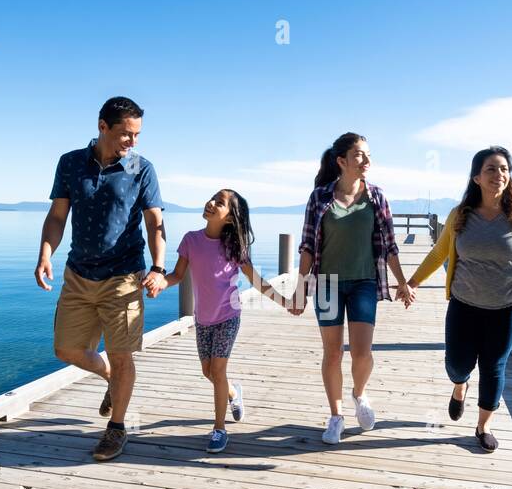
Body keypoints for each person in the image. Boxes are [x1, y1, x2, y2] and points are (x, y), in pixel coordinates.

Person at [34, 96, 167, 461]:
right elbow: (58, 216)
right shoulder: (71, 163)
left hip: (124, 277)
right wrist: (46, 252)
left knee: (123, 356)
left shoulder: (142, 168)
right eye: (126, 134)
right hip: (78, 273)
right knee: (66, 349)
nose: (132, 142)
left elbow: (155, 222)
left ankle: (116, 429)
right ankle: (111, 378)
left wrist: (157, 267)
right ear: (102, 126)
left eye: (137, 134)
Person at [406, 146, 512, 453]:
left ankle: (483, 426)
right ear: (476, 177)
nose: (499, 174)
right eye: (491, 169)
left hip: (507, 308)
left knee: (493, 365)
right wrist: (413, 281)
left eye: (504, 169)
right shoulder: (460, 215)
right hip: (464, 305)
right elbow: (440, 253)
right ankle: (459, 386)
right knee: (457, 364)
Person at [294, 132, 416, 445]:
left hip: (364, 281)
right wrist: (300, 286)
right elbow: (308, 245)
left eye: (368, 155)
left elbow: (389, 245)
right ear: (342, 161)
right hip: (327, 284)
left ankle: (359, 395)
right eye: (359, 155)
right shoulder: (320, 197)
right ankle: (336, 416)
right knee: (332, 354)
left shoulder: (376, 196)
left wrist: (402, 282)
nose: (366, 161)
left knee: (362, 355)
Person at [160, 189, 293, 452]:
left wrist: (285, 302)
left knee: (218, 371)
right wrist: (159, 282)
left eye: (219, 203)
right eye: (212, 198)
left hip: (228, 317)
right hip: (203, 319)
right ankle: (233, 393)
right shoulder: (190, 240)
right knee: (208, 372)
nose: (210, 203)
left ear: (230, 218)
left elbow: (256, 280)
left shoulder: (234, 247)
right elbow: (176, 274)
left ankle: (219, 429)